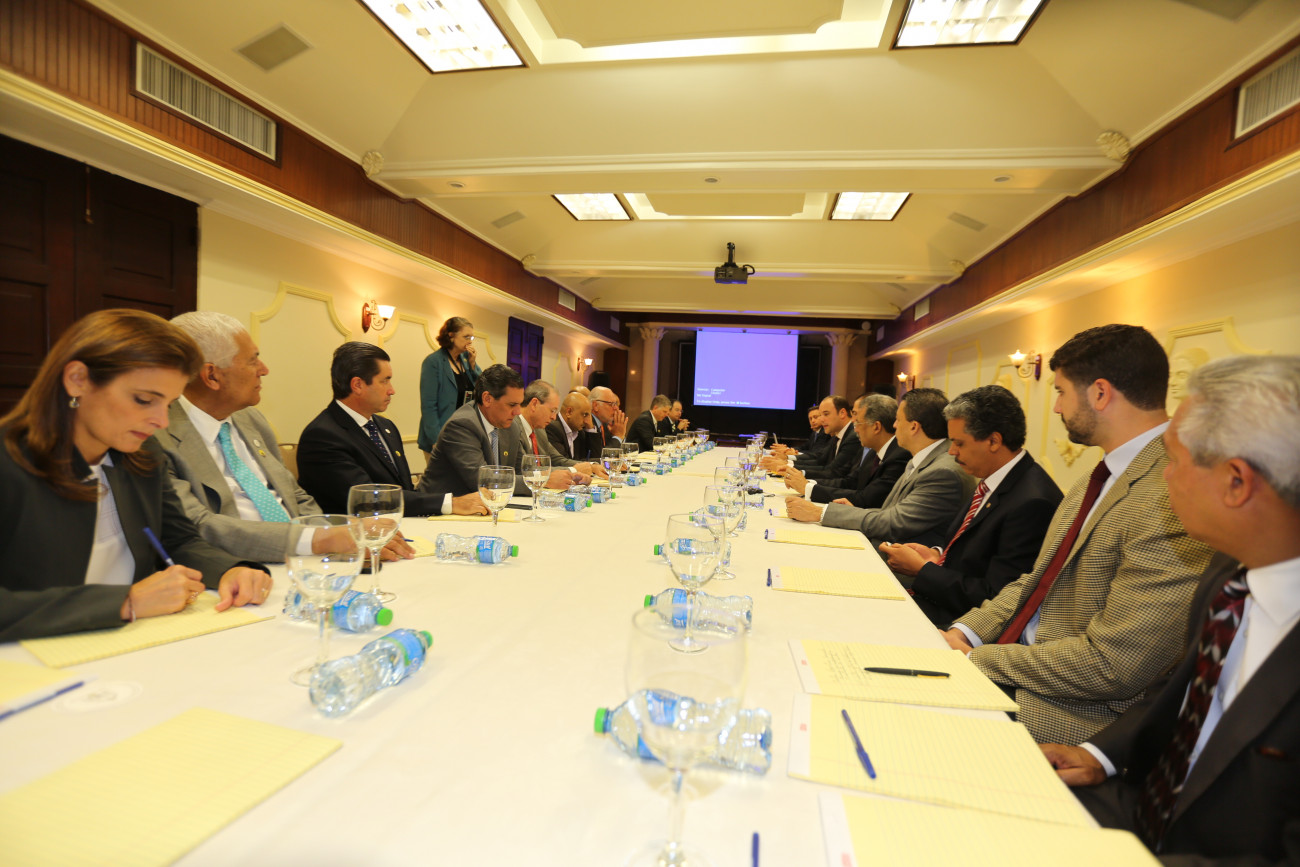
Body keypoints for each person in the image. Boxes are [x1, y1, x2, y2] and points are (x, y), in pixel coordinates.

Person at [1039, 355, 1300, 865]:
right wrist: (1100, 754)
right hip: (1138, 805)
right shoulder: (1229, 569)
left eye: (1175, 461)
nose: (1165, 478)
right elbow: (1183, 685)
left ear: (1236, 482)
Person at [942, 325, 1214, 745]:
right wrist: (964, 632)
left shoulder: (1172, 493)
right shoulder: (1099, 475)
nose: (1055, 407)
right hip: (1020, 666)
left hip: (1069, 709)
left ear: (1100, 393)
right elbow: (1039, 581)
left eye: (1061, 392)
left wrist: (978, 658)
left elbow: (1115, 664)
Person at [0, 309, 273, 642]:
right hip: (33, 654)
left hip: (135, 640)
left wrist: (233, 569)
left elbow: (180, 540)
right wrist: (125, 602)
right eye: (144, 400)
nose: (162, 421)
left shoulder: (141, 456)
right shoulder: (9, 463)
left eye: (169, 404)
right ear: (78, 379)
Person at [158, 313, 412, 564]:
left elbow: (295, 495)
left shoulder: (250, 419)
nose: (264, 370)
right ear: (212, 376)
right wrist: (321, 540)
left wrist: (334, 541)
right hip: (238, 568)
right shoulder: (158, 438)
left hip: (307, 560)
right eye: (252, 361)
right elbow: (199, 525)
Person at [881, 385, 1062, 627]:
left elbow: (996, 597)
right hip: (940, 602)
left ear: (993, 441)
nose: (952, 451)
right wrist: (936, 555)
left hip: (961, 624)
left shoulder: (1032, 502)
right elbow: (974, 555)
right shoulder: (994, 478)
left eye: (959, 443)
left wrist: (923, 570)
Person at [297, 342, 486, 517]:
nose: (392, 390)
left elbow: (403, 489)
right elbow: (369, 499)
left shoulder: (386, 427)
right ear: (357, 385)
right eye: (384, 381)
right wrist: (451, 503)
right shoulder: (323, 436)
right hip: (356, 537)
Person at [786, 388, 975, 549]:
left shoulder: (943, 472)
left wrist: (821, 513)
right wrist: (849, 511)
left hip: (901, 561)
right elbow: (890, 512)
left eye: (898, 420)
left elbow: (895, 522)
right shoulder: (922, 459)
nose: (893, 425)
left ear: (914, 427)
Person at [419, 364, 574, 497]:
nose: (518, 412)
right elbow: (484, 481)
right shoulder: (462, 425)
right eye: (512, 405)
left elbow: (522, 471)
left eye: (519, 404)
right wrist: (542, 481)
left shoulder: (511, 426)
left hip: (487, 507)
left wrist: (569, 473)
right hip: (439, 512)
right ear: (487, 399)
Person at [782, 394, 910, 509]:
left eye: (858, 423)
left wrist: (808, 488)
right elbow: (850, 482)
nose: (855, 428)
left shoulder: (899, 456)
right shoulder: (874, 451)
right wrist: (807, 484)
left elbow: (866, 498)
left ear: (876, 427)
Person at [417, 316, 482, 457]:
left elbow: (482, 386)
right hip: (440, 434)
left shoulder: (466, 360)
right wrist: (436, 440)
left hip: (463, 433)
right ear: (451, 336)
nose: (470, 341)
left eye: (471, 337)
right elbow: (429, 406)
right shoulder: (433, 362)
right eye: (466, 337)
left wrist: (473, 365)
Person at [515, 380, 600, 479]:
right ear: (534, 404)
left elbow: (557, 460)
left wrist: (591, 466)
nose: (554, 417)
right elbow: (526, 471)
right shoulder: (514, 428)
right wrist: (573, 470)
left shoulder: (539, 431)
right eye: (552, 410)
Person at [548, 391, 594, 461]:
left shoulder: (579, 431)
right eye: (584, 415)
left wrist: (590, 428)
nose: (586, 421)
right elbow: (563, 463)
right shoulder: (553, 429)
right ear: (569, 412)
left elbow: (593, 457)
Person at [585, 386, 627, 458]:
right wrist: (618, 436)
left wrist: (618, 435)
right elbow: (601, 457)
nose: (616, 408)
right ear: (595, 406)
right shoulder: (587, 424)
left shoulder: (604, 425)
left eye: (615, 404)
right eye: (611, 404)